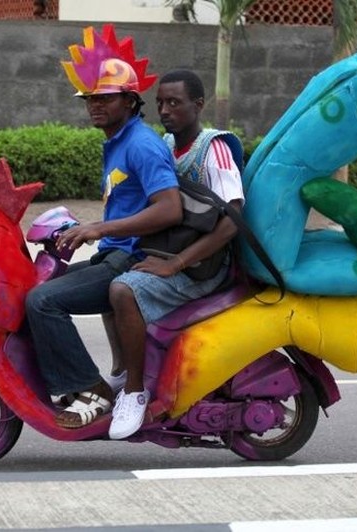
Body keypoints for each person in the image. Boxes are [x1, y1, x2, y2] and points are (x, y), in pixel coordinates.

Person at [25, 27, 181, 430]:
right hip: (112, 253)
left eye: (105, 98)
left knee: (43, 301)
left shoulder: (141, 144)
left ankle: (92, 391)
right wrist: (81, 229)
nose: (95, 105)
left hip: (131, 259)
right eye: (90, 99)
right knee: (30, 290)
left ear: (130, 101)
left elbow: (170, 208)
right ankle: (72, 382)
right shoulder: (116, 142)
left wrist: (99, 228)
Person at [106, 69, 246, 439]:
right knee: (104, 273)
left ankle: (134, 393)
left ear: (198, 105)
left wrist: (176, 263)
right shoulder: (165, 145)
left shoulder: (213, 149)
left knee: (123, 290)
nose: (166, 111)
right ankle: (123, 370)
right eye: (160, 103)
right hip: (173, 254)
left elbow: (233, 220)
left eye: (175, 103)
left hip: (204, 266)